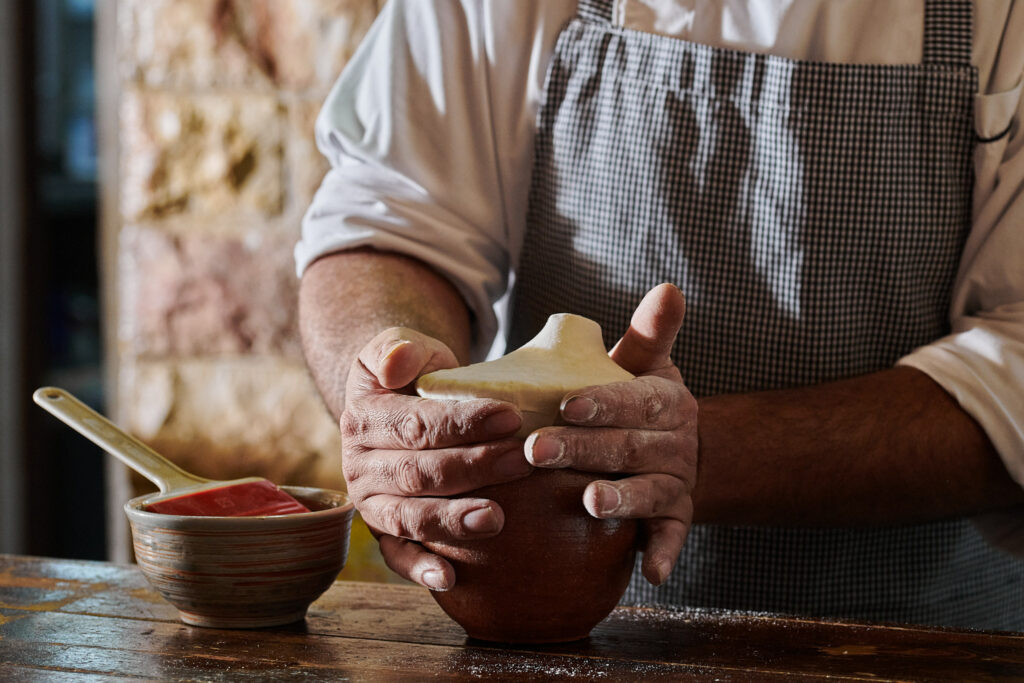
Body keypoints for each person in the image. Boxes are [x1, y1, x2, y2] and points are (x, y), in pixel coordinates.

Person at [296, 0, 1024, 630]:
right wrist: (390, 382)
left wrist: (690, 452)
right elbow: (390, 221)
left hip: (926, 640)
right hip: (568, 645)